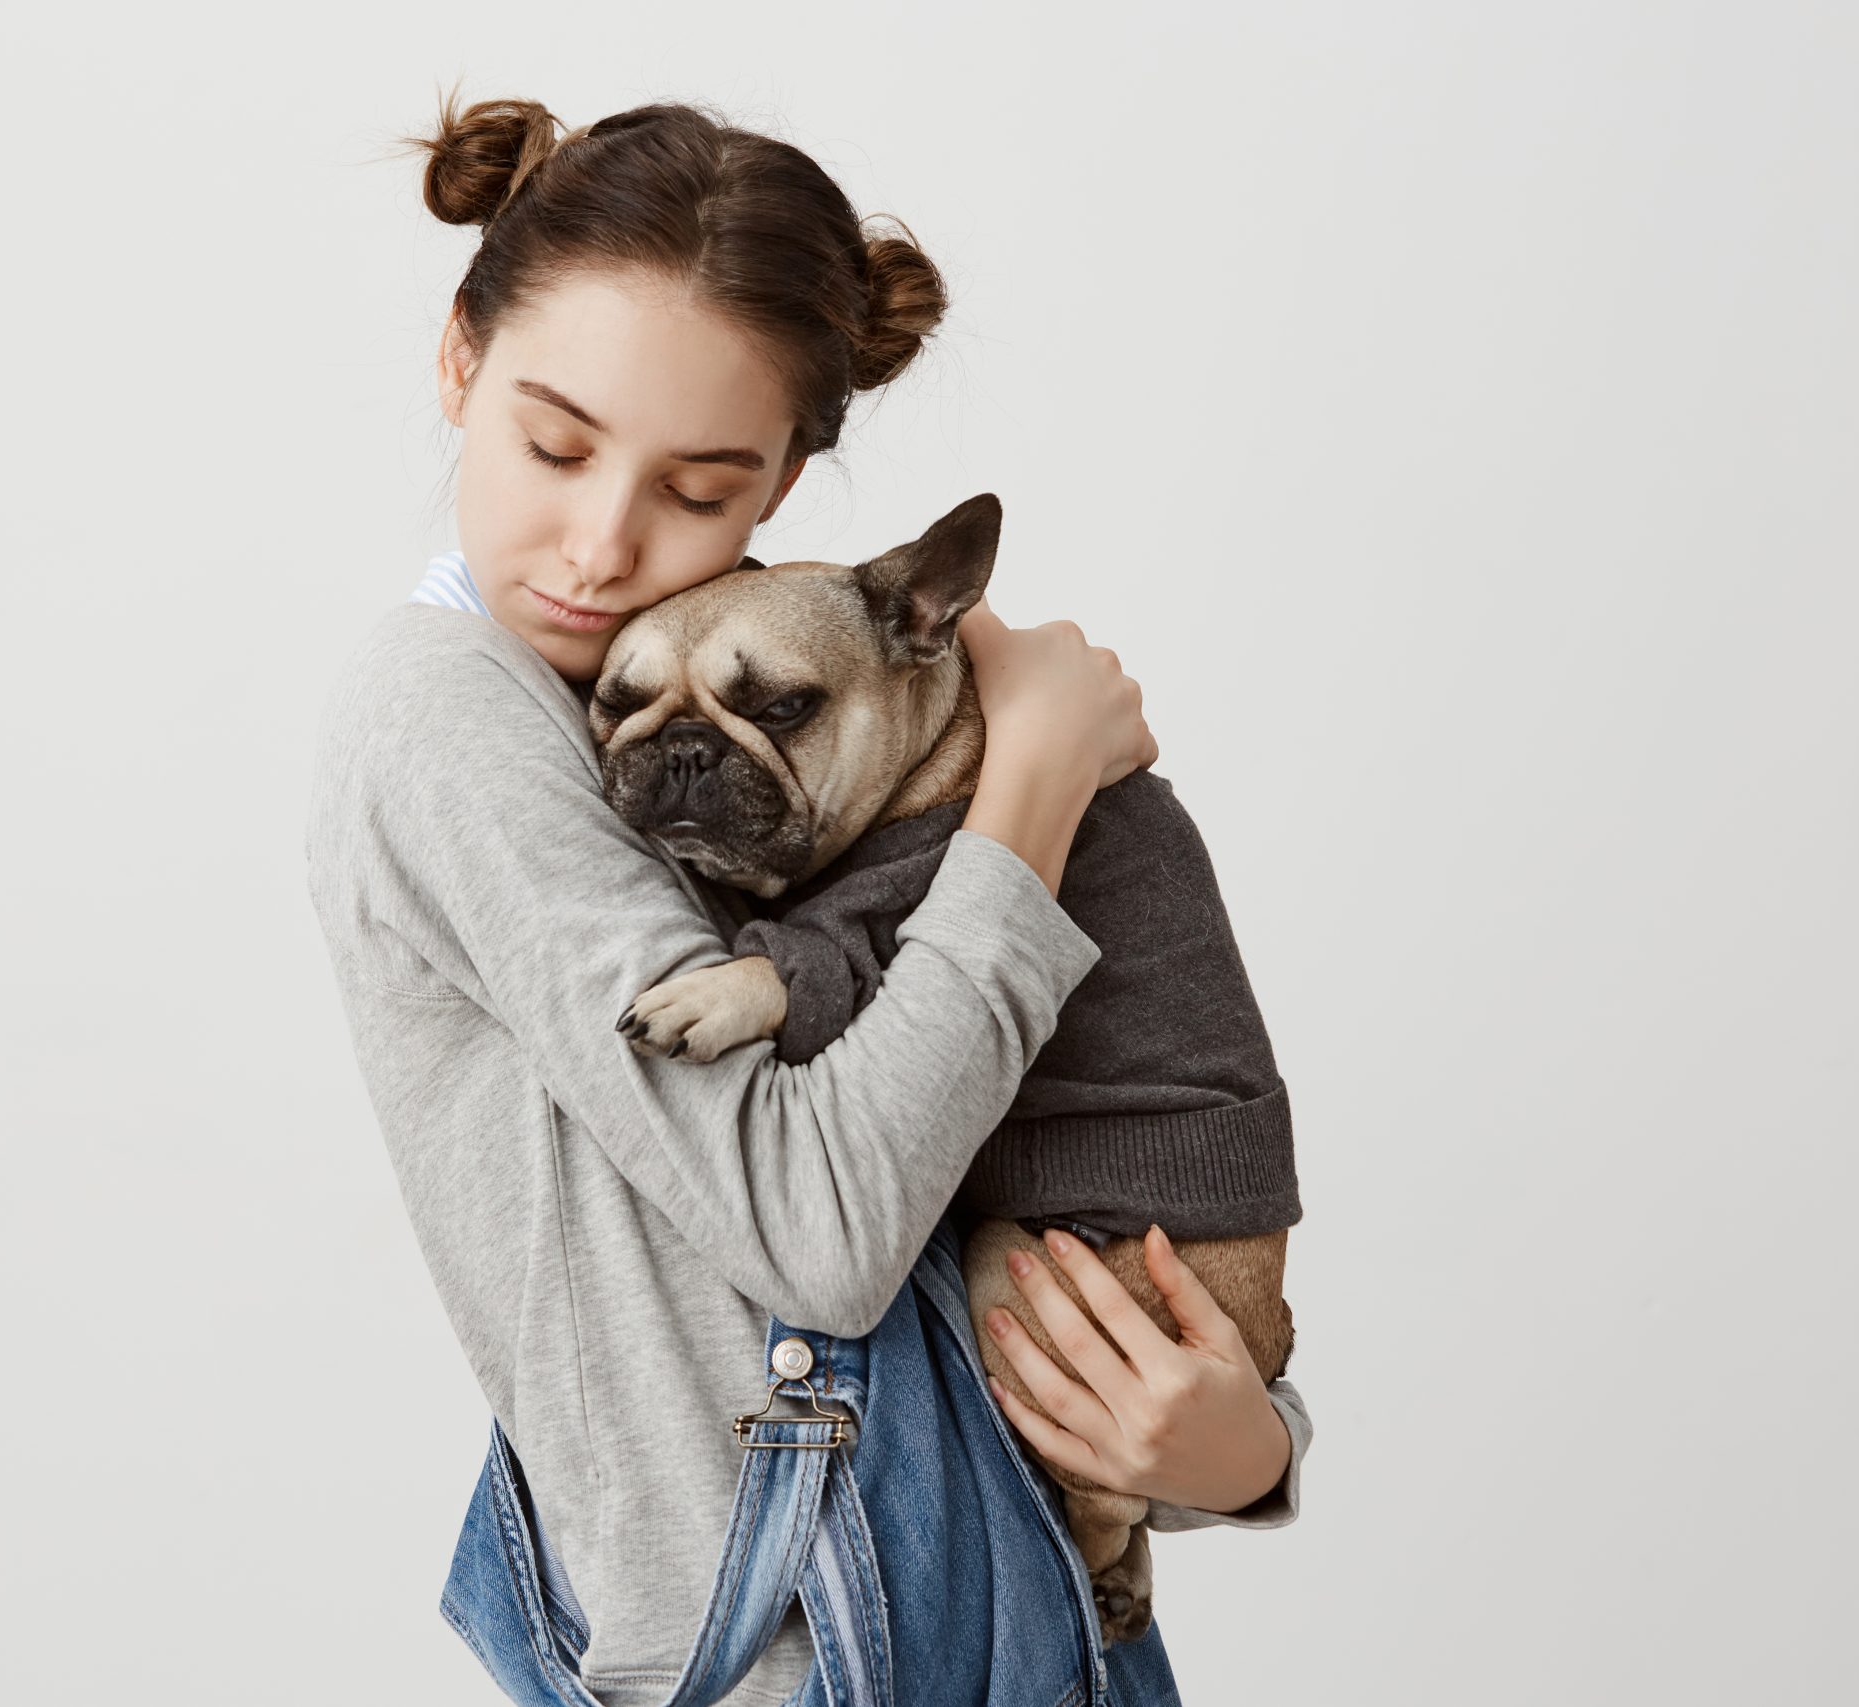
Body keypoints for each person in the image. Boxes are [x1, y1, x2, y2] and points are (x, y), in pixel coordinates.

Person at [306, 93, 1313, 1707]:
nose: (601, 544)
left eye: (697, 490)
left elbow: (996, 1175)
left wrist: (1242, 1448)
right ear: (457, 364)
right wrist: (1033, 788)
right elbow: (826, 1235)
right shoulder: (453, 719)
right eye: (554, 444)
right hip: (807, 1651)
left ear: (781, 483)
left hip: (1002, 1599)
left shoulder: (741, 692)